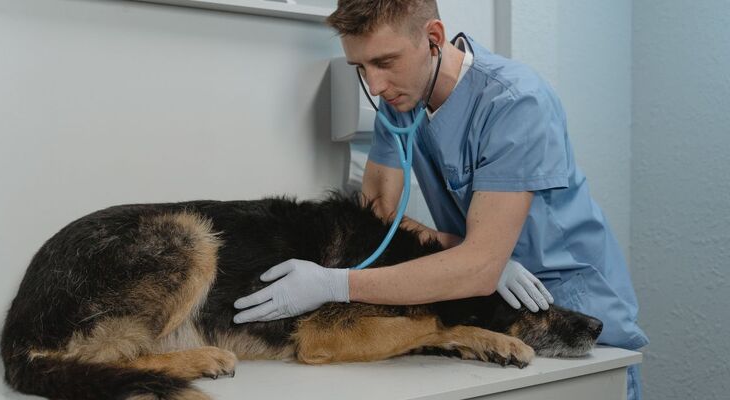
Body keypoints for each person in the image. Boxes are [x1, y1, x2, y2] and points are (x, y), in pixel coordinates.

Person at [233, 1, 648, 398]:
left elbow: (481, 270)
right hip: (488, 305)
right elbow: (377, 214)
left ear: (433, 37)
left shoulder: (515, 103)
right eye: (361, 67)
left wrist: (333, 284)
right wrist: (462, 250)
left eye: (385, 62)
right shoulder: (402, 101)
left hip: (567, 306)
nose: (375, 86)